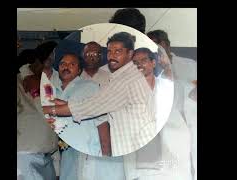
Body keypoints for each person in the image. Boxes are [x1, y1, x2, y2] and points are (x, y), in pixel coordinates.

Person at [43, 32, 156, 157]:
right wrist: (56, 103)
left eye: (118, 51)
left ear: (130, 54)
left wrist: (46, 109)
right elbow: (91, 104)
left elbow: (91, 107)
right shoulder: (123, 77)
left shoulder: (125, 80)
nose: (112, 56)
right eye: (109, 51)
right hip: (134, 147)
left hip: (139, 149)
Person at [46, 53, 125, 180]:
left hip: (90, 151)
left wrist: (106, 155)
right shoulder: (52, 91)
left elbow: (102, 121)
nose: (66, 67)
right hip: (66, 152)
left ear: (79, 70)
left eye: (72, 64)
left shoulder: (89, 87)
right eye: (63, 64)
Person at [125, 47, 193, 180]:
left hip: (174, 167)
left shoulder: (172, 87)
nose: (139, 64)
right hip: (142, 169)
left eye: (143, 60)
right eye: (134, 62)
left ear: (153, 63)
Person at [17, 48, 58, 180]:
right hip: (25, 155)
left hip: (46, 155)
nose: (44, 66)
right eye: (41, 62)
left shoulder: (44, 84)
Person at [80, 41, 112, 156]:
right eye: (88, 54)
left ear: (101, 56)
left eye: (95, 54)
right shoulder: (75, 77)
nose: (91, 58)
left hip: (106, 128)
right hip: (82, 129)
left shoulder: (109, 77)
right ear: (83, 55)